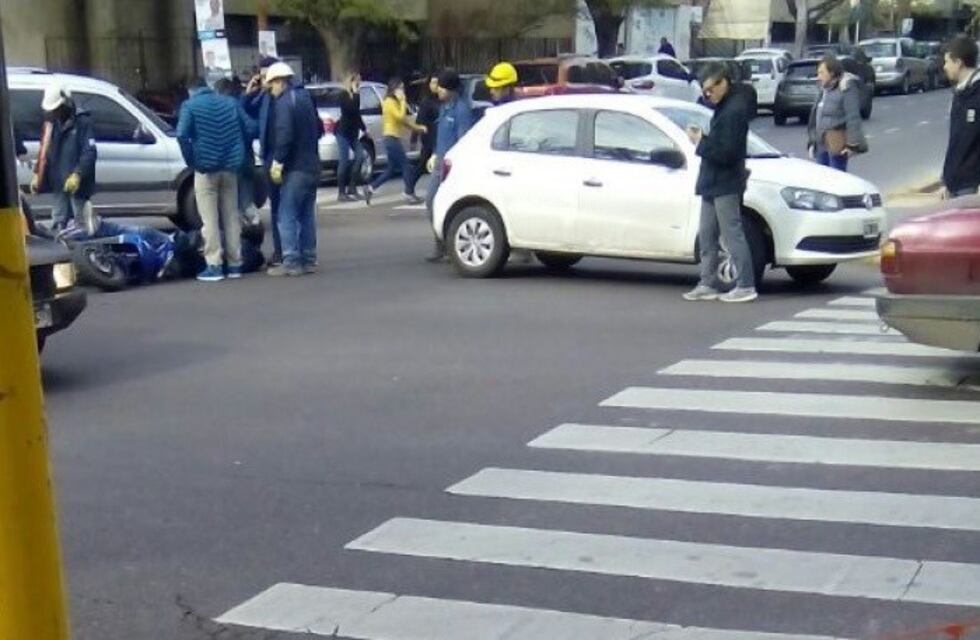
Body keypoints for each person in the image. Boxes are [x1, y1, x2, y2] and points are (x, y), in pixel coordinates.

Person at [683, 63, 757, 304]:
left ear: (723, 83)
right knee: (707, 234)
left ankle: (746, 284)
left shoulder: (734, 111)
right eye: (704, 92)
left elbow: (728, 152)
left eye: (709, 90)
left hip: (725, 181)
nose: (707, 96)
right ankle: (707, 282)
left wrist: (701, 141)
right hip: (712, 181)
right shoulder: (726, 106)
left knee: (731, 234)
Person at [176, 77, 248, 282]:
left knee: (209, 219)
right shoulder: (229, 102)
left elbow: (181, 135)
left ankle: (214, 265)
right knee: (231, 216)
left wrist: (193, 161)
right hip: (230, 168)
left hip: (205, 169)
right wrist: (238, 153)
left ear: (191, 90)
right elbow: (249, 128)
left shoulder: (189, 105)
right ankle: (235, 264)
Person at [265, 62, 322, 277]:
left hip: (295, 167)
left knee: (286, 213)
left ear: (279, 81)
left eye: (272, 86)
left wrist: (278, 162)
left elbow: (284, 134)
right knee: (306, 213)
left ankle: (290, 261)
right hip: (312, 164)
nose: (271, 91)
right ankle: (308, 258)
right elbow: (317, 128)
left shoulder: (284, 102)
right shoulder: (305, 98)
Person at [30, 82, 97, 233]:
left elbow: (89, 152)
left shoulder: (82, 123)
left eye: (57, 109)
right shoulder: (51, 125)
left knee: (81, 227)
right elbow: (45, 151)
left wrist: (78, 175)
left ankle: (82, 253)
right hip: (59, 184)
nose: (54, 113)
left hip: (77, 186)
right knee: (58, 224)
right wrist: (37, 173)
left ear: (65, 104)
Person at [425, 70, 474, 262]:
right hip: (439, 163)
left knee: (447, 205)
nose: (438, 90)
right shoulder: (444, 108)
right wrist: (435, 154)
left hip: (451, 166)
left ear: (452, 89)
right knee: (431, 202)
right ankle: (440, 243)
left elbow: (463, 140)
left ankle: (449, 245)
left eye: (442, 87)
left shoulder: (461, 110)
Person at [243, 56, 283, 264]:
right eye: (263, 75)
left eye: (268, 75)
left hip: (282, 157)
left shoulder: (285, 96)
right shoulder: (264, 96)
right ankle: (281, 251)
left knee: (287, 208)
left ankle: (290, 251)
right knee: (277, 207)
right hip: (269, 157)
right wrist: (250, 92)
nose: (266, 80)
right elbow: (246, 110)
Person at [364, 78, 427, 206]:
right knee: (405, 166)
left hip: (393, 137)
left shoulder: (395, 102)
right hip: (391, 138)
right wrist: (403, 101)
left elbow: (404, 122)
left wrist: (417, 128)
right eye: (401, 88)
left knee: (391, 169)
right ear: (394, 89)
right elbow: (400, 117)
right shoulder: (389, 102)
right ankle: (409, 193)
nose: (403, 91)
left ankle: (371, 188)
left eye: (403, 88)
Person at [807, 55, 865, 173]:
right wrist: (812, 141)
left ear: (832, 73)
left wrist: (852, 145)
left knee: (836, 180)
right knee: (822, 180)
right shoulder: (823, 90)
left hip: (836, 143)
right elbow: (815, 116)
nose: (818, 77)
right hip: (821, 143)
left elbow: (853, 117)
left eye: (822, 73)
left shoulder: (846, 87)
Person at [215, 77, 260, 223]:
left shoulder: (214, 109)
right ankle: (253, 228)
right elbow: (252, 128)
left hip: (226, 163)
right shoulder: (236, 104)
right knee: (246, 200)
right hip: (244, 158)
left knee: (231, 204)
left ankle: (238, 234)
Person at [941, 35, 980, 199]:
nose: (944, 67)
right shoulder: (959, 94)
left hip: (972, 187)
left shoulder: (976, 93)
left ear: (958, 62)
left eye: (947, 61)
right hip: (956, 185)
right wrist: (946, 180)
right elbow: (955, 142)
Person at [336, 72, 369, 202]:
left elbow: (357, 115)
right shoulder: (343, 95)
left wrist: (364, 129)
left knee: (360, 156)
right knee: (343, 162)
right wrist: (355, 93)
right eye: (356, 83)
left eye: (359, 83)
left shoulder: (355, 96)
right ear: (350, 82)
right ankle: (341, 192)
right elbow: (352, 110)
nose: (358, 85)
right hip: (342, 133)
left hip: (353, 133)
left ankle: (352, 187)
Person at [405, 74, 440, 198]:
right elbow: (419, 121)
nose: (435, 86)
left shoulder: (441, 100)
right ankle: (409, 188)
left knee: (431, 165)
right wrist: (414, 138)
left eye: (437, 83)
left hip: (439, 137)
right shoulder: (427, 102)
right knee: (423, 164)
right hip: (429, 137)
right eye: (433, 83)